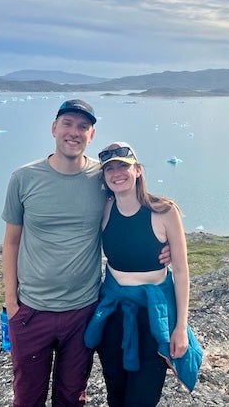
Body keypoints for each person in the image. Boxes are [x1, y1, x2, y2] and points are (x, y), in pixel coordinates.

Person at [1, 100, 169, 407]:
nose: (74, 132)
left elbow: (132, 203)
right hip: (31, 310)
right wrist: (12, 303)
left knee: (72, 397)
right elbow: (12, 241)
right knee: (27, 398)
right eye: (67, 123)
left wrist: (161, 245)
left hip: (83, 310)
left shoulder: (101, 178)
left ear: (91, 135)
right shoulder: (23, 179)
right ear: (54, 128)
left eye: (83, 127)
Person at [84, 142, 202, 407]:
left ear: (137, 170)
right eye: (109, 168)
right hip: (113, 313)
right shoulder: (104, 209)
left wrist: (180, 328)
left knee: (143, 398)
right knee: (115, 392)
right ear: (104, 176)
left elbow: (181, 272)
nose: (117, 173)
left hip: (153, 316)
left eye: (123, 166)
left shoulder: (165, 211)